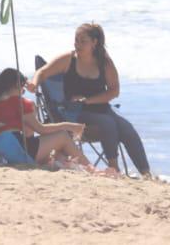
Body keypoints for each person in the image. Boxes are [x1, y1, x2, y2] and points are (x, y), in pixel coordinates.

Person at [27, 22, 152, 176]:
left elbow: (114, 91)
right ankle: (114, 170)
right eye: (76, 40)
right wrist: (34, 83)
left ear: (94, 42)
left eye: (83, 41)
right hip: (74, 112)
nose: (78, 44)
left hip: (99, 107)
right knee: (108, 124)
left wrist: (88, 100)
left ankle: (146, 174)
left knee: (127, 129)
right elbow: (42, 72)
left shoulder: (104, 62)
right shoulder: (68, 59)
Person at [0, 68, 94, 170]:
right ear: (18, 85)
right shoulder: (20, 103)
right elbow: (41, 129)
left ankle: (77, 166)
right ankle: (91, 168)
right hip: (15, 153)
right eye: (23, 89)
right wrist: (70, 126)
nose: (23, 93)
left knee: (57, 153)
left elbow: (28, 136)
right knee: (62, 136)